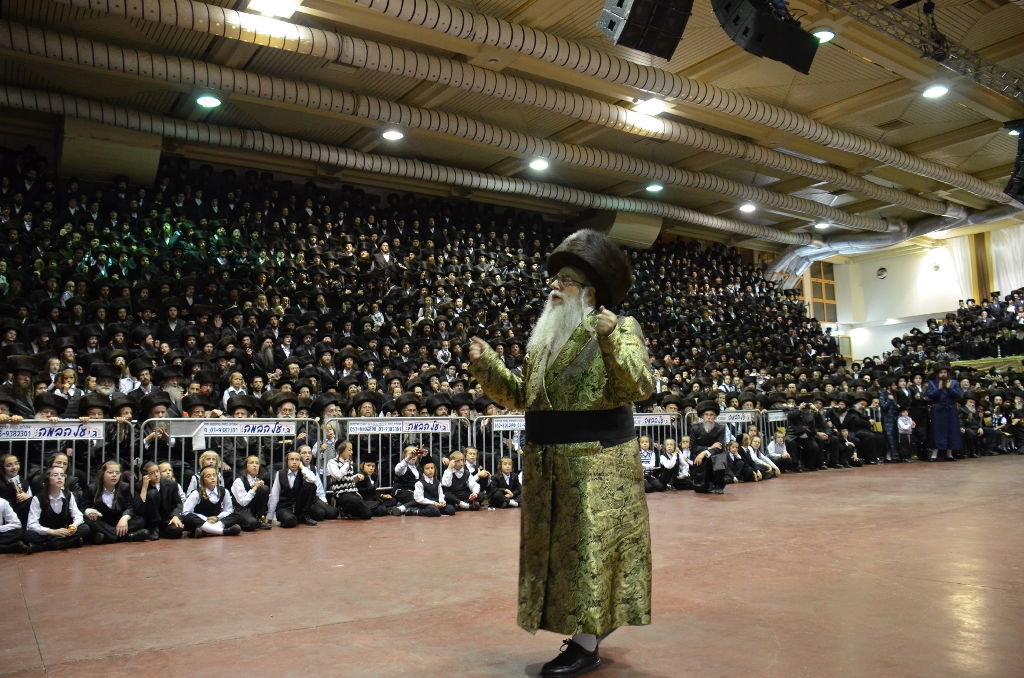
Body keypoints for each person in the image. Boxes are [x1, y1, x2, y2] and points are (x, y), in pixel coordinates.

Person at [469, 229, 653, 677]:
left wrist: (610, 340)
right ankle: (588, 628)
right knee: (557, 555)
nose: (553, 287)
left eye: (564, 281)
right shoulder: (543, 340)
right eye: (553, 280)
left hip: (597, 464)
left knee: (589, 553)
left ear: (589, 292)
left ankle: (585, 646)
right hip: (549, 464)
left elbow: (640, 387)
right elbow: (521, 398)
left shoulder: (620, 327)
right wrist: (487, 365)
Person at [25, 466, 93, 552]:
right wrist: (52, 532)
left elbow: (78, 515)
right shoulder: (38, 498)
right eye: (55, 475)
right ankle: (70, 542)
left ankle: (44, 546)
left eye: (62, 475)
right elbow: (31, 524)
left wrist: (74, 525)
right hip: (48, 532)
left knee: (85, 528)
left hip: (63, 530)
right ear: (48, 479)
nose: (60, 477)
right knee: (29, 535)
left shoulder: (68, 495)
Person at [83, 460, 148, 543]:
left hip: (118, 520)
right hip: (102, 521)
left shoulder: (125, 487)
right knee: (87, 520)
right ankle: (127, 537)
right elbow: (83, 507)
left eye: (117, 473)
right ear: (102, 474)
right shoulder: (91, 488)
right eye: (110, 472)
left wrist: (125, 518)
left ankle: (108, 537)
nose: (114, 475)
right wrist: (89, 512)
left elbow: (130, 507)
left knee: (140, 520)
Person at [182, 466, 243, 537]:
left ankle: (206, 531)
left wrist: (217, 518)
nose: (212, 478)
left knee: (236, 515)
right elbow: (186, 512)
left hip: (217, 520)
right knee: (188, 517)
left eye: (214, 475)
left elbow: (228, 510)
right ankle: (223, 531)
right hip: (201, 520)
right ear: (203, 480)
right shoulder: (196, 493)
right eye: (208, 476)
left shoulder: (224, 491)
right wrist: (205, 519)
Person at [266, 451, 318, 527]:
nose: (294, 462)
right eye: (291, 459)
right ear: (287, 461)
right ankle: (293, 518)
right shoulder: (280, 473)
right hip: (284, 507)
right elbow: (275, 494)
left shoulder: (304, 472)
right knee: (290, 520)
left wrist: (302, 467)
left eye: (297, 460)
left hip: (298, 506)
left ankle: (303, 515)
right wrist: (269, 517)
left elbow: (313, 479)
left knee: (311, 486)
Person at [927, 362, 962, 461]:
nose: (943, 374)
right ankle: (934, 454)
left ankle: (949, 454)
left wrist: (949, 388)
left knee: (951, 430)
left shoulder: (954, 382)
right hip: (938, 409)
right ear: (938, 374)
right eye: (941, 372)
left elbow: (958, 395)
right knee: (937, 431)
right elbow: (930, 395)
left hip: (950, 409)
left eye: (945, 372)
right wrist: (939, 389)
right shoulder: (932, 383)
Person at [230, 455, 273, 531]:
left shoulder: (258, 480)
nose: (254, 465)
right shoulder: (238, 481)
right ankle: (239, 521)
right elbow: (243, 503)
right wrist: (255, 488)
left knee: (264, 488)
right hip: (241, 509)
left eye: (257, 463)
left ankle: (260, 518)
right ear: (246, 466)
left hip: (252, 508)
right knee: (251, 524)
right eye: (251, 463)